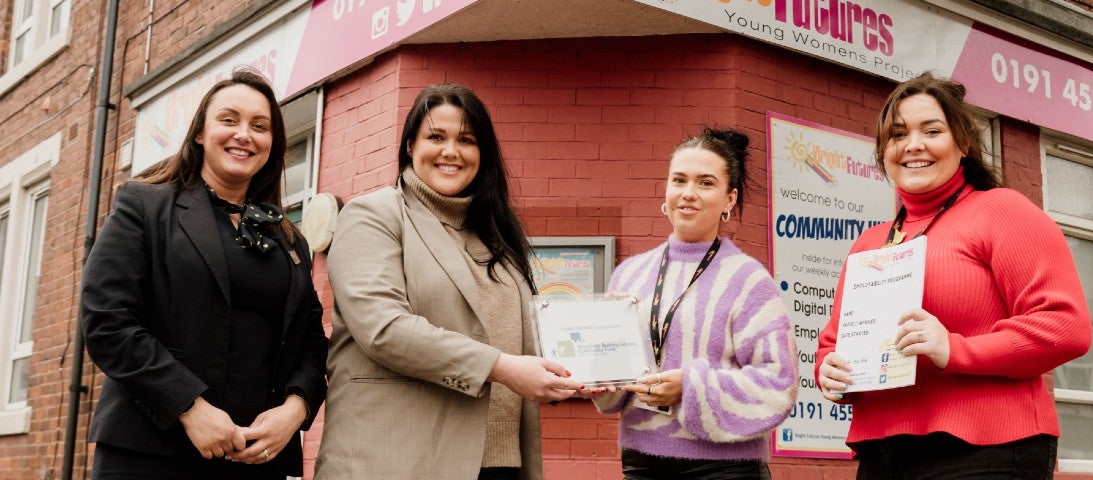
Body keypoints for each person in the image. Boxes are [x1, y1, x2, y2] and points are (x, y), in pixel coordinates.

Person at [815, 72, 1092, 479]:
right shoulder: (869, 243)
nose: (913, 145)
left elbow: (1067, 327)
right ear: (883, 150)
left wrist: (954, 349)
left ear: (963, 143)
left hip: (988, 448)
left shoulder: (1001, 211)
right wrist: (830, 371)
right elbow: (832, 343)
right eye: (897, 134)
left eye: (932, 130)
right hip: (883, 452)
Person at [315, 83, 582, 480]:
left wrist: (593, 373)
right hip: (400, 462)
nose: (451, 151)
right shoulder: (372, 216)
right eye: (435, 137)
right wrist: (503, 368)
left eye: (466, 140)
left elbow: (522, 337)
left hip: (500, 462)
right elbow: (384, 329)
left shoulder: (495, 237)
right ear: (409, 146)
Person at [81, 67, 328, 479]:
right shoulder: (142, 206)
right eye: (229, 120)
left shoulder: (289, 239)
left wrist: (294, 411)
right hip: (149, 454)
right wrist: (189, 407)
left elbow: (311, 343)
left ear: (273, 143)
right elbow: (108, 322)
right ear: (200, 133)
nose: (244, 134)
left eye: (260, 126)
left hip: (256, 458)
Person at [592, 128, 799, 480]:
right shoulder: (628, 275)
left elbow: (779, 383)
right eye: (679, 180)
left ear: (729, 199)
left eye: (705, 183)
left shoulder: (749, 281)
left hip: (724, 469)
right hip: (640, 463)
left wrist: (689, 388)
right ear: (666, 189)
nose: (688, 194)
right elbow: (613, 377)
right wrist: (597, 375)